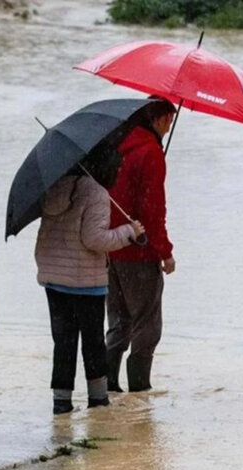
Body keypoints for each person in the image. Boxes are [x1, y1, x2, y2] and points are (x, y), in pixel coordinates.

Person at [35, 148, 145, 415]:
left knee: (63, 341)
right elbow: (93, 240)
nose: (118, 175)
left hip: (54, 278)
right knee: (93, 340)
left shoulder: (56, 186)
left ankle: (61, 402)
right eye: (116, 169)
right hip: (85, 280)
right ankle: (97, 401)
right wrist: (129, 232)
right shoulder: (96, 193)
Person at [106, 98, 177, 393]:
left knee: (119, 321)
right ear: (159, 120)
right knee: (147, 325)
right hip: (139, 252)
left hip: (111, 248)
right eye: (169, 121)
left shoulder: (118, 145)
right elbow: (152, 211)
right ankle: (139, 390)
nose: (170, 126)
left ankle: (106, 387)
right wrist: (165, 252)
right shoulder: (150, 154)